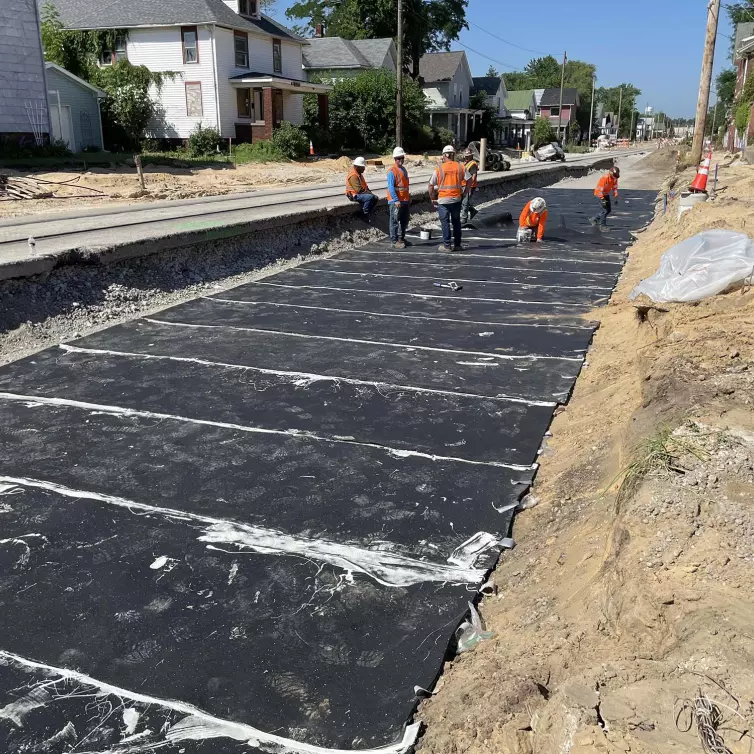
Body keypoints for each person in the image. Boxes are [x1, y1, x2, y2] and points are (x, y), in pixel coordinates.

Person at [428, 145, 471, 252]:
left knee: (445, 223)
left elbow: (430, 185)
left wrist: (432, 198)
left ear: (444, 155)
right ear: (453, 155)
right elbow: (469, 180)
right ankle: (457, 245)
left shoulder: (439, 168)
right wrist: (465, 192)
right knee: (456, 222)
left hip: (443, 201)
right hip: (456, 199)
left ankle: (447, 246)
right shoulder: (460, 166)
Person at [386, 147, 411, 249]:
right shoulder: (392, 171)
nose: (400, 160)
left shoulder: (404, 169)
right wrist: (396, 200)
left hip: (404, 200)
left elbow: (405, 186)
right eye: (398, 158)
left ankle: (401, 238)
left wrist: (408, 197)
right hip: (395, 201)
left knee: (404, 220)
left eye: (402, 158)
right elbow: (391, 187)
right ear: (394, 159)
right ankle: (394, 240)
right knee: (394, 221)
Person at [345, 156, 377, 222]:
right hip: (353, 195)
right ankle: (363, 214)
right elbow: (358, 190)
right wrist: (369, 193)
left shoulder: (359, 174)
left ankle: (367, 212)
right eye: (363, 167)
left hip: (358, 194)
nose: (364, 169)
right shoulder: (353, 175)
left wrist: (369, 192)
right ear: (357, 167)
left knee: (375, 198)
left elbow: (364, 186)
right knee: (370, 197)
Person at [461, 148, 479, 225]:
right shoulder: (465, 163)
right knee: (462, 202)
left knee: (465, 202)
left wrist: (470, 187)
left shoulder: (473, 164)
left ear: (471, 156)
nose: (466, 157)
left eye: (468, 156)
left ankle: (464, 218)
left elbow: (473, 176)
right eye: (465, 156)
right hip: (463, 185)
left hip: (469, 186)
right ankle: (472, 210)